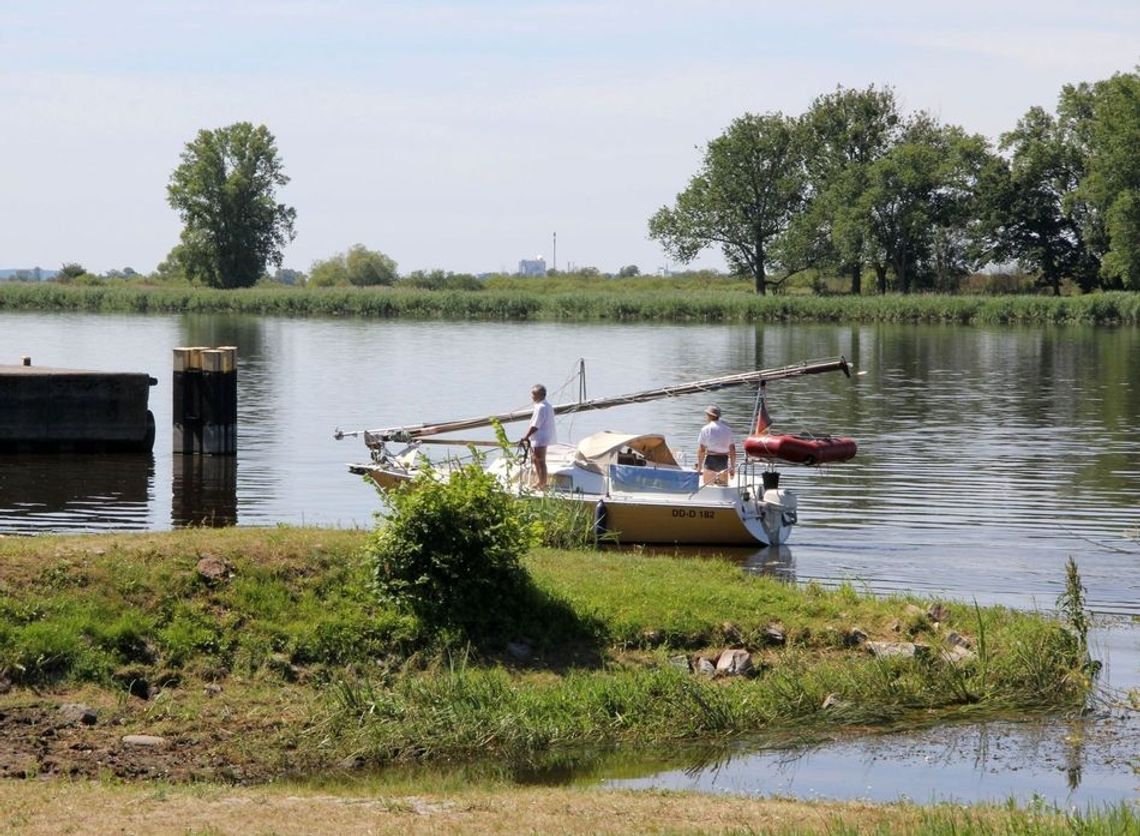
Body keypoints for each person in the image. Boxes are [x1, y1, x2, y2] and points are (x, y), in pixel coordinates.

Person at [520, 384, 555, 489]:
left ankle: (542, 483)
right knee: (536, 460)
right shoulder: (545, 405)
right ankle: (540, 481)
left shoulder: (541, 407)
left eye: (534, 394)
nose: (532, 396)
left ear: (540, 395)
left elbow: (535, 425)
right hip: (540, 437)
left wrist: (525, 437)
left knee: (540, 460)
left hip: (541, 438)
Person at [696, 404, 736, 485]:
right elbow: (732, 449)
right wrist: (732, 467)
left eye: (707, 415)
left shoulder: (706, 429)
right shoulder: (728, 429)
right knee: (723, 487)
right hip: (723, 460)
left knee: (708, 487)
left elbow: (702, 450)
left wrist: (699, 467)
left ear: (710, 416)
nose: (706, 417)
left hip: (710, 459)